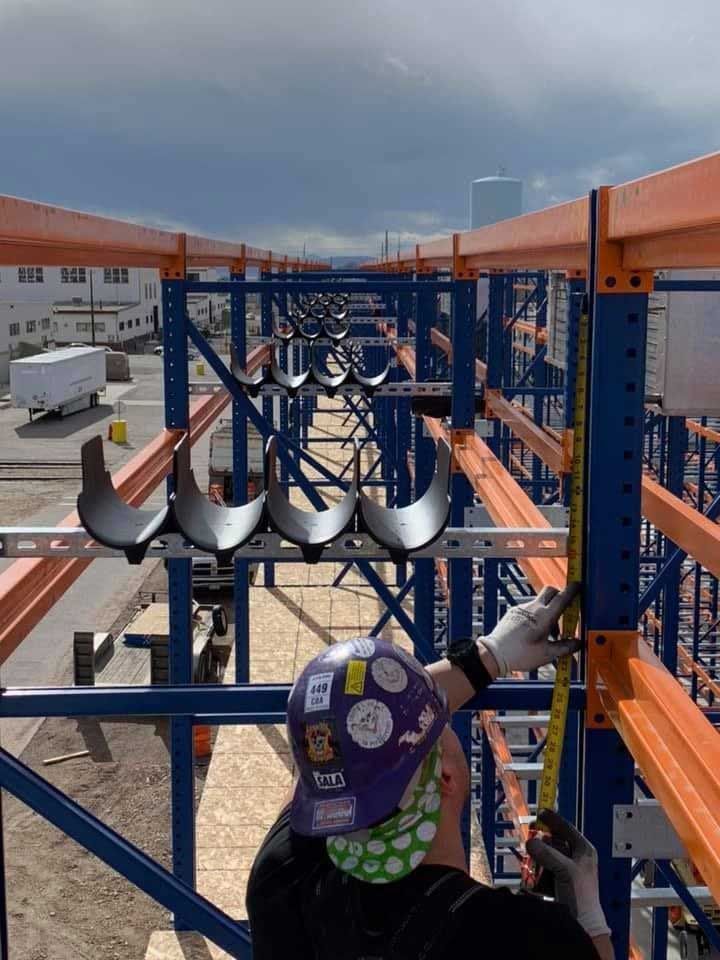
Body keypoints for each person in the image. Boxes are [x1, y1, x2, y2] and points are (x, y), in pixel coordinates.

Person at [247, 585, 614, 960]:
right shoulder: (530, 937)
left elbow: (338, 749)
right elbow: (354, 740)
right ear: (446, 777)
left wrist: (486, 657)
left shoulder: (282, 880)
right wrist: (591, 923)